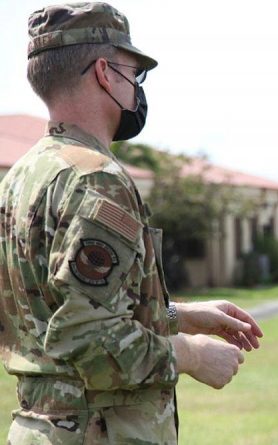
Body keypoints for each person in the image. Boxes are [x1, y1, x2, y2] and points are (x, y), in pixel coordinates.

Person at [0, 3, 263, 443]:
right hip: (97, 430)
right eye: (133, 74)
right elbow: (90, 338)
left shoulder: (22, 176)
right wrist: (192, 355)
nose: (137, 88)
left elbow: (50, 311)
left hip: (39, 427)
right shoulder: (96, 179)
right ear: (105, 72)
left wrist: (177, 315)